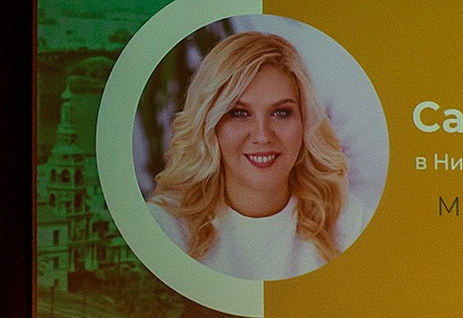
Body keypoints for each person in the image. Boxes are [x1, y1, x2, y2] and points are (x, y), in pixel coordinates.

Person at [148, 30, 368, 281]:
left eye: (281, 112)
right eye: (239, 113)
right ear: (210, 124)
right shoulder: (165, 226)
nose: (262, 136)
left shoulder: (349, 223)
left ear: (305, 121)